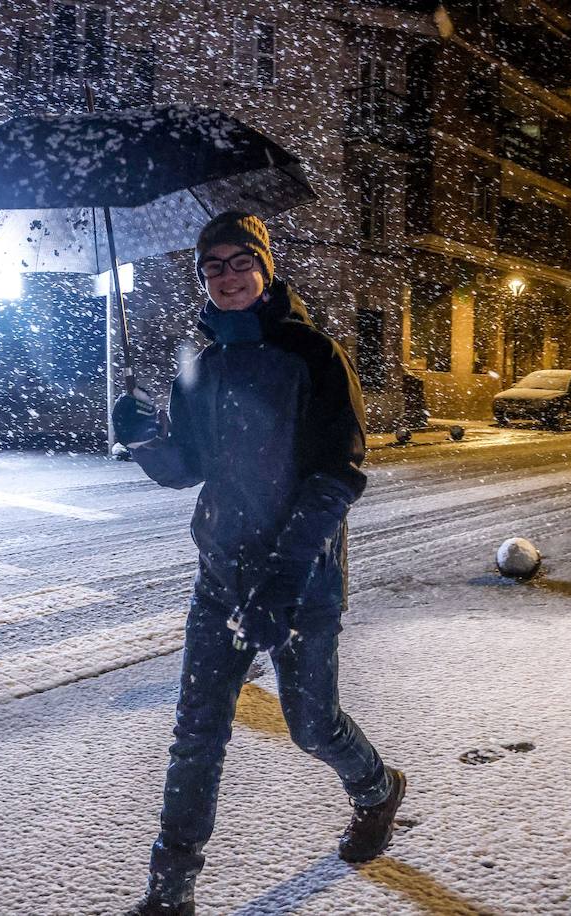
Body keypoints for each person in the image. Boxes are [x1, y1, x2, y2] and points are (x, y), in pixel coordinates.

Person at [113, 212, 406, 916]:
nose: (228, 277)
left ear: (266, 265)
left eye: (240, 260)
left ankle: (376, 788)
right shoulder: (199, 361)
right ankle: (170, 891)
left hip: (300, 578)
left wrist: (282, 576)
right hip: (221, 572)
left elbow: (337, 475)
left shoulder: (313, 355)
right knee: (196, 731)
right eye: (212, 267)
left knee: (311, 725)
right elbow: (188, 469)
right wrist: (146, 439)